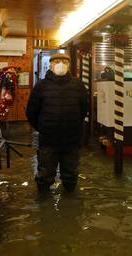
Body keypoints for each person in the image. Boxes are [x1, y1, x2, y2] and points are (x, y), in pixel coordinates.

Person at [26, 52, 88, 192]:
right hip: (48, 139)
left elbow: (84, 109)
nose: (61, 64)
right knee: (45, 176)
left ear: (69, 65)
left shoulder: (78, 85)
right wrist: (43, 127)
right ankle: (44, 207)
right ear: (51, 65)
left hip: (72, 139)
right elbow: (31, 112)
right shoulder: (41, 86)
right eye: (57, 61)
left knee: (71, 175)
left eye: (65, 62)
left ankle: (71, 207)